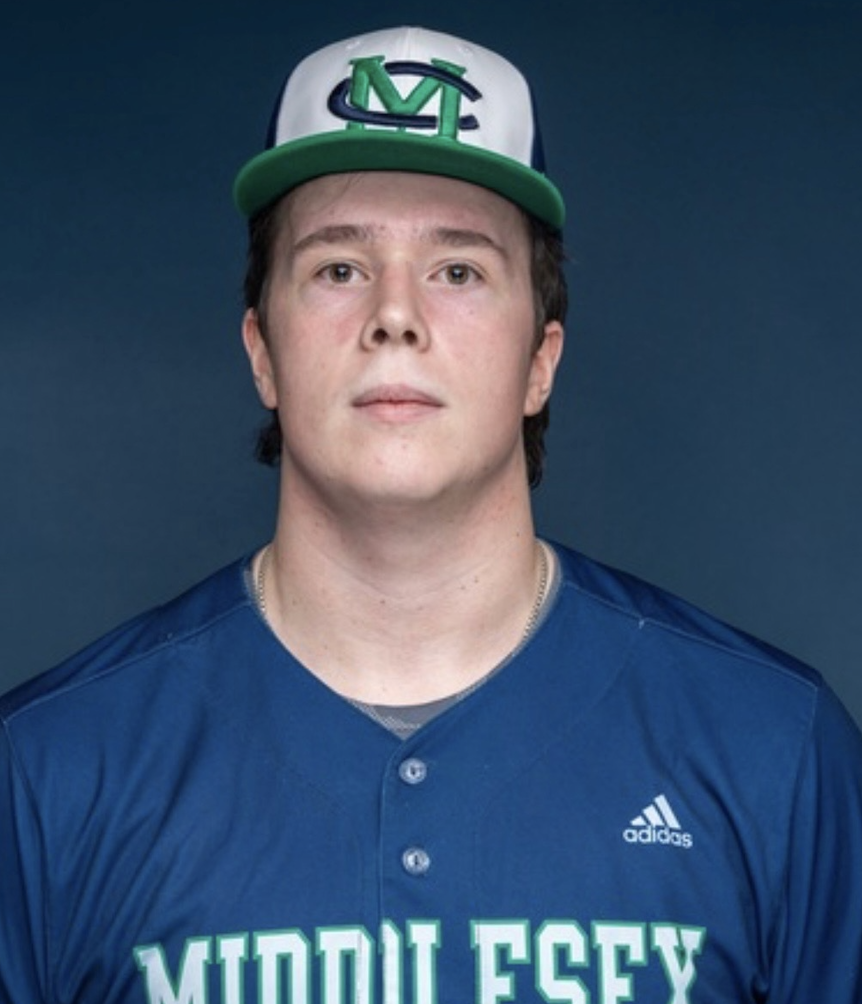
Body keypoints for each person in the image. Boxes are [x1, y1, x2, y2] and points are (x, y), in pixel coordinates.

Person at [1, 25, 861, 1004]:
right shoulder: (45, 770)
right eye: (338, 267)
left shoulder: (774, 752)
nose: (395, 315)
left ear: (540, 359)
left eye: (458, 270)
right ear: (262, 352)